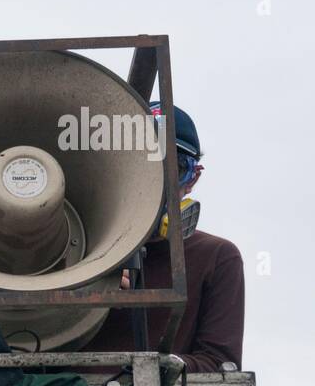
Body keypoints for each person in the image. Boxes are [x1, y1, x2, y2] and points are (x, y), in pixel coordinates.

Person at [86, 102, 244, 371]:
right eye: (140, 168)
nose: (155, 184)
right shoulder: (76, 247)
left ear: (192, 179)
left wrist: (155, 370)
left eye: (173, 169)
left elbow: (220, 365)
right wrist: (86, 291)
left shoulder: (217, 257)